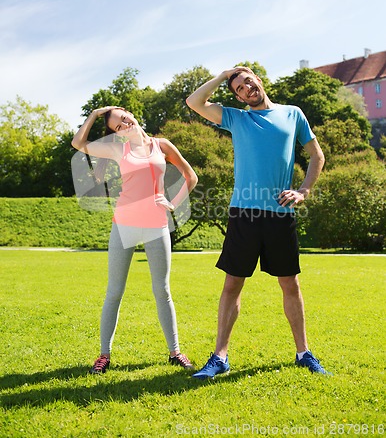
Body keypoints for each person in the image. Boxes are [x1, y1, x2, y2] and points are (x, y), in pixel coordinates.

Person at [186, 66, 329, 378]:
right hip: (245, 213)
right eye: (238, 88)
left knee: (290, 283)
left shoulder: (293, 114)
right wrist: (224, 75)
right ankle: (220, 357)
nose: (246, 88)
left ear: (259, 80)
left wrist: (303, 191)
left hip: (281, 214)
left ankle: (303, 353)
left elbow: (316, 156)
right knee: (232, 284)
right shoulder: (238, 118)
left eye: (248, 81)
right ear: (237, 96)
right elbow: (194, 102)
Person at [71, 106, 198, 373]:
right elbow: (78, 143)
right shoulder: (119, 150)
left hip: (157, 225)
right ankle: (104, 355)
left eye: (124, 117)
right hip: (124, 225)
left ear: (132, 114)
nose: (124, 124)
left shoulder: (161, 145)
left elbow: (190, 177)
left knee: (162, 291)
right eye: (118, 126)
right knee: (114, 292)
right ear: (116, 134)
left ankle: (175, 352)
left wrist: (173, 203)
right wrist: (95, 115)